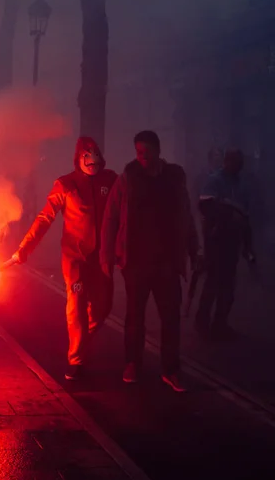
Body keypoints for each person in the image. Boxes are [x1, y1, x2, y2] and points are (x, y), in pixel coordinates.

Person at [11, 137, 117, 380]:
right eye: (86, 156)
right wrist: (25, 247)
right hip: (76, 259)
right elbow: (45, 217)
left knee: (102, 308)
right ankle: (76, 359)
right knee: (77, 304)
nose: (92, 161)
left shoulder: (111, 181)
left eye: (95, 155)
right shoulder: (66, 184)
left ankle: (80, 343)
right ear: (78, 158)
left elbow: (123, 212)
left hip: (102, 259)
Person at [100, 130, 198, 392]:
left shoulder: (174, 181)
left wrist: (194, 250)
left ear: (157, 150)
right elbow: (110, 219)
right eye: (138, 152)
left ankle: (171, 370)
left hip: (167, 262)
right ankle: (132, 363)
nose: (141, 157)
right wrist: (106, 256)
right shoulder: (127, 180)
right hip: (136, 262)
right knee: (135, 317)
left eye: (145, 152)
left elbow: (186, 218)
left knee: (170, 319)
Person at [194, 149, 255, 340]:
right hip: (216, 239)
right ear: (227, 162)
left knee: (228, 285)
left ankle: (220, 323)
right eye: (235, 161)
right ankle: (202, 324)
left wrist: (247, 245)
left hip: (232, 240)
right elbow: (205, 206)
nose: (238, 165)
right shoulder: (215, 180)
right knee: (213, 282)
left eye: (240, 162)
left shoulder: (242, 184)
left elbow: (245, 216)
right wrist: (226, 217)